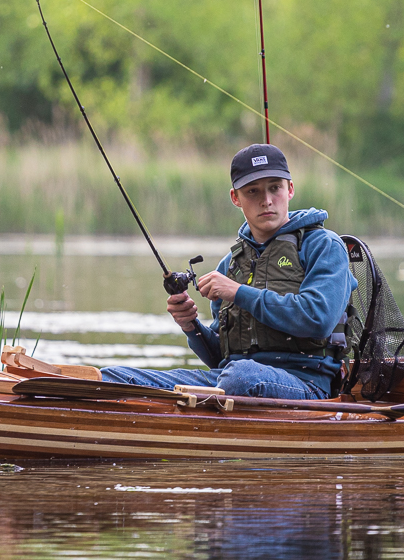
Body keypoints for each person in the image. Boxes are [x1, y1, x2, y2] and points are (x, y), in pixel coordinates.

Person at [101, 143, 356, 400]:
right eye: (253, 191)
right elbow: (219, 359)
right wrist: (191, 326)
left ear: (290, 189)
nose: (266, 200)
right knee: (113, 377)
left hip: (306, 384)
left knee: (240, 376)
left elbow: (318, 319)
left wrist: (238, 292)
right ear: (236, 198)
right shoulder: (230, 264)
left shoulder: (324, 245)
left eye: (275, 188)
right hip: (232, 379)